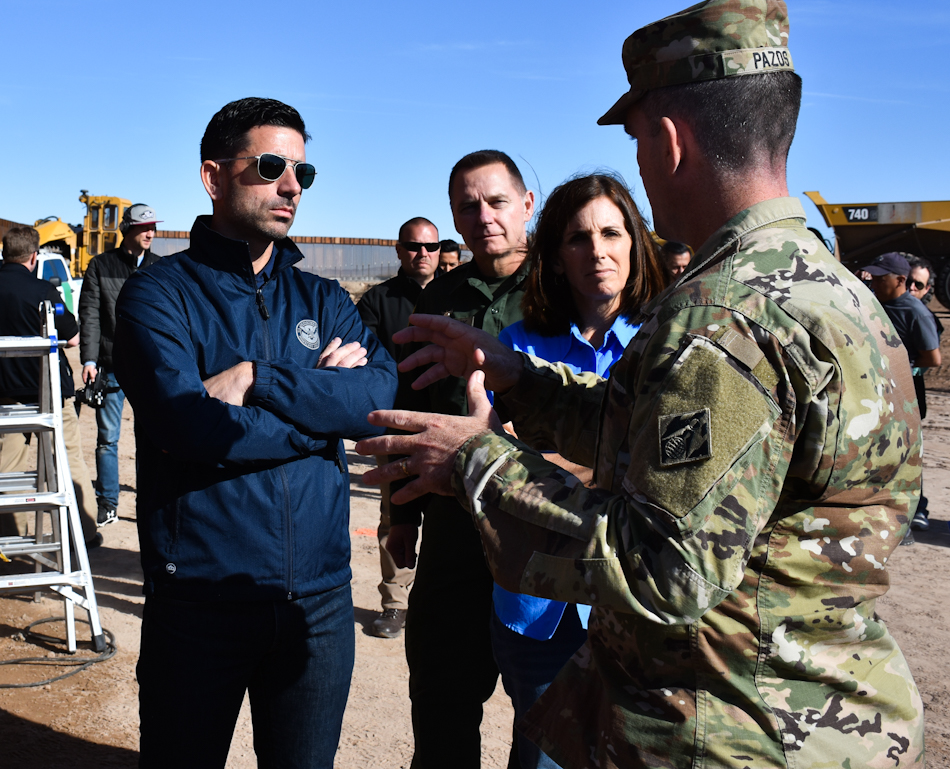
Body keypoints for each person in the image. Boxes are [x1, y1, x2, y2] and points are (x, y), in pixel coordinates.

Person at [359, 2, 926, 767]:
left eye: (636, 140)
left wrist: (474, 459)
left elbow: (661, 566)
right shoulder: (831, 288)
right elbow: (663, 441)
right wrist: (518, 375)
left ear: (665, 139)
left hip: (727, 729)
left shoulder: (722, 316)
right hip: (820, 714)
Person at [115, 97, 397, 768]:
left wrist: (259, 380)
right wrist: (318, 415)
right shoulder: (159, 295)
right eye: (270, 166)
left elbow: (374, 398)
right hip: (200, 600)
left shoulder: (324, 299)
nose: (291, 186)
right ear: (214, 177)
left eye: (303, 171)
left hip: (319, 605)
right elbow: (191, 426)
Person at [491, 172, 665, 769]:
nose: (597, 250)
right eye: (577, 238)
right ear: (555, 258)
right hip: (540, 599)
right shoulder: (516, 349)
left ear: (635, 244)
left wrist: (543, 457)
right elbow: (490, 465)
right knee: (544, 754)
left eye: (612, 232)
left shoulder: (670, 344)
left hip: (641, 600)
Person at [386, 149, 535, 768]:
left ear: (527, 204)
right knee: (443, 704)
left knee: (547, 718)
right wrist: (400, 515)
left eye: (497, 201)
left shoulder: (571, 289)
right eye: (467, 206)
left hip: (545, 534)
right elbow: (410, 410)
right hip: (454, 534)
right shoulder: (439, 300)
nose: (484, 217)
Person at [0, 226, 100, 546]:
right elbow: (73, 337)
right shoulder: (43, 291)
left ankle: (12, 537)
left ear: (4, 255)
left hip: (1, 392)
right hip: (48, 392)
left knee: (6, 466)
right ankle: (83, 531)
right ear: (34, 256)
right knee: (67, 460)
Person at [354, 216, 440, 639]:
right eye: (413, 246)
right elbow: (364, 361)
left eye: (431, 246)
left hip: (451, 425)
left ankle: (442, 601)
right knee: (396, 514)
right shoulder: (377, 302)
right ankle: (395, 602)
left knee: (452, 516)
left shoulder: (458, 297)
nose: (422, 254)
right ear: (399, 250)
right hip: (400, 424)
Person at [79, 204, 163, 526]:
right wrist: (89, 358)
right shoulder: (100, 266)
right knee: (107, 439)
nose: (151, 233)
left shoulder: (160, 267)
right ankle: (108, 503)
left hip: (150, 369)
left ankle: (150, 503)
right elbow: (90, 314)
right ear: (127, 229)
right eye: (144, 228)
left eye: (153, 227)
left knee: (153, 438)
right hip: (111, 366)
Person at [861, 252, 940, 537]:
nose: (877, 283)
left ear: (900, 281)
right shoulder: (873, 304)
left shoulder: (915, 312)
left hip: (905, 395)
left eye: (882, 279)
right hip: (875, 393)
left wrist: (902, 369)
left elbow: (933, 359)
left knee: (901, 457)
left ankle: (907, 519)